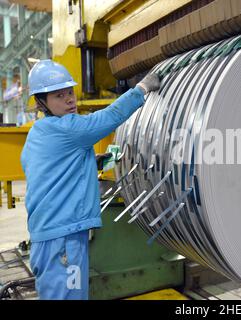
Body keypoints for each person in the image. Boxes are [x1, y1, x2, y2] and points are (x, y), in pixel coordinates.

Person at [20, 59, 160, 300]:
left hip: (49, 234)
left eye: (70, 92)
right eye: (59, 96)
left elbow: (48, 170)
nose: (70, 99)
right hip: (64, 237)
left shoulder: (38, 132)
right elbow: (107, 118)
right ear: (42, 102)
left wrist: (89, 162)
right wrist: (141, 90)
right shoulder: (68, 127)